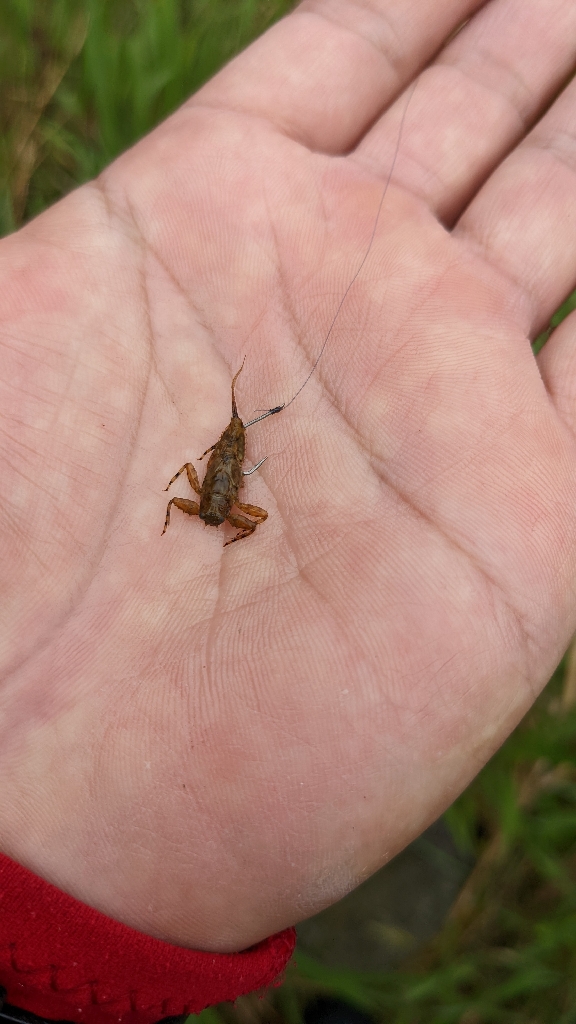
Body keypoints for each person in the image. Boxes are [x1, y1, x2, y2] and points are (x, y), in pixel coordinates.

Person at [1, 0, 576, 1019]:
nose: (227, 453)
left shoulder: (225, 460)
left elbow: (217, 465)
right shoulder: (219, 467)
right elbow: (209, 470)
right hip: (215, 511)